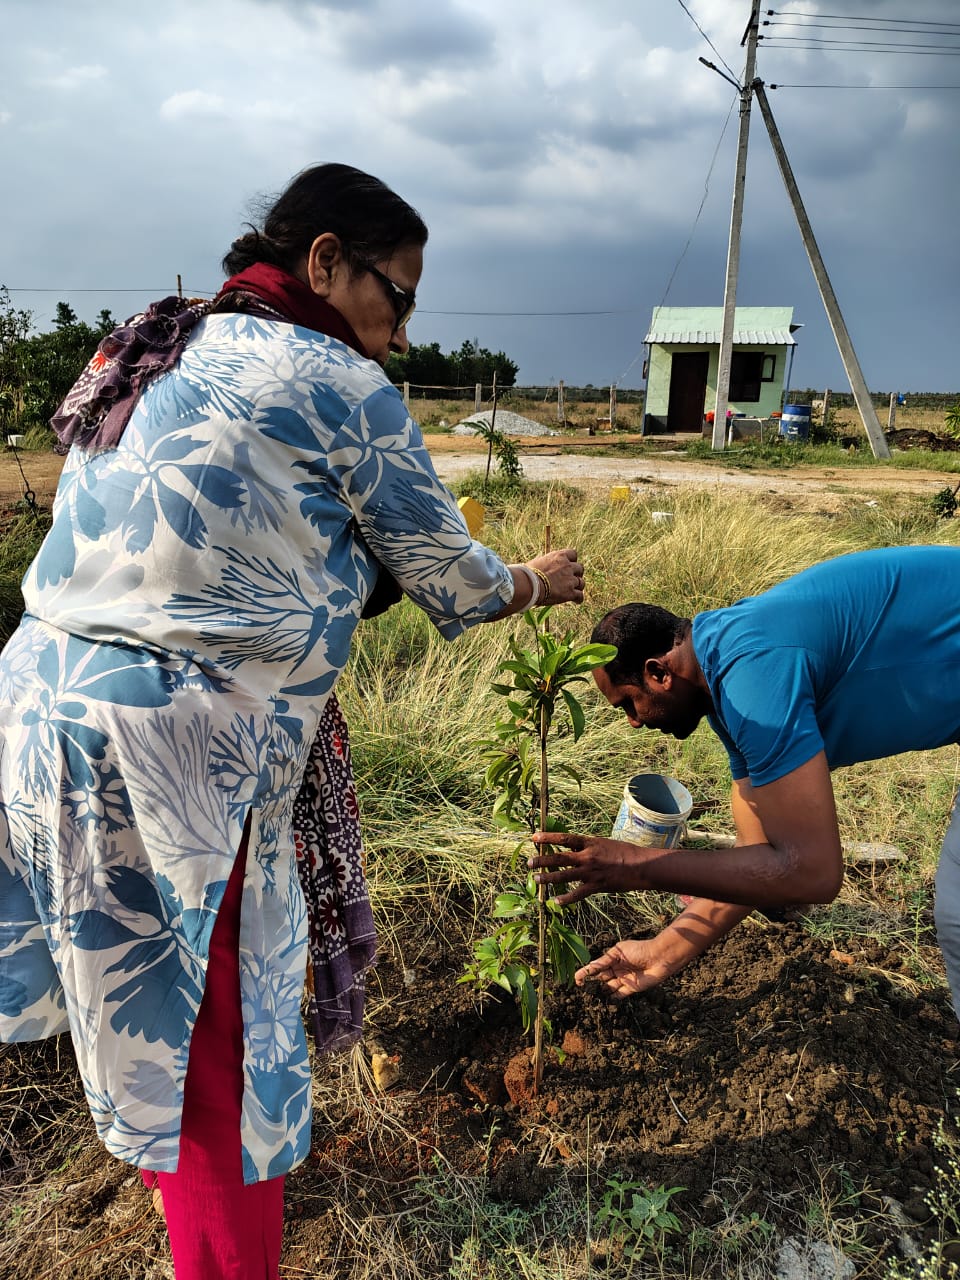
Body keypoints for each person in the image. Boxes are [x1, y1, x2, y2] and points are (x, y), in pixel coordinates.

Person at [0, 162, 585, 1280]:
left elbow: (228, 536)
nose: (402, 333)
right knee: (215, 1065)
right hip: (169, 767)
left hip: (41, 719)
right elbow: (452, 580)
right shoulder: (330, 374)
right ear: (323, 261)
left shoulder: (158, 342)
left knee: (146, 1021)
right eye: (396, 296)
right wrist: (537, 578)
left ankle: (185, 1220)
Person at [528, 545, 960, 1014]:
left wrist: (635, 865)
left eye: (629, 703)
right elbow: (761, 864)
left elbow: (813, 874)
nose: (633, 722)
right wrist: (661, 951)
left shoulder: (752, 675)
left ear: (658, 673)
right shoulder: (724, 681)